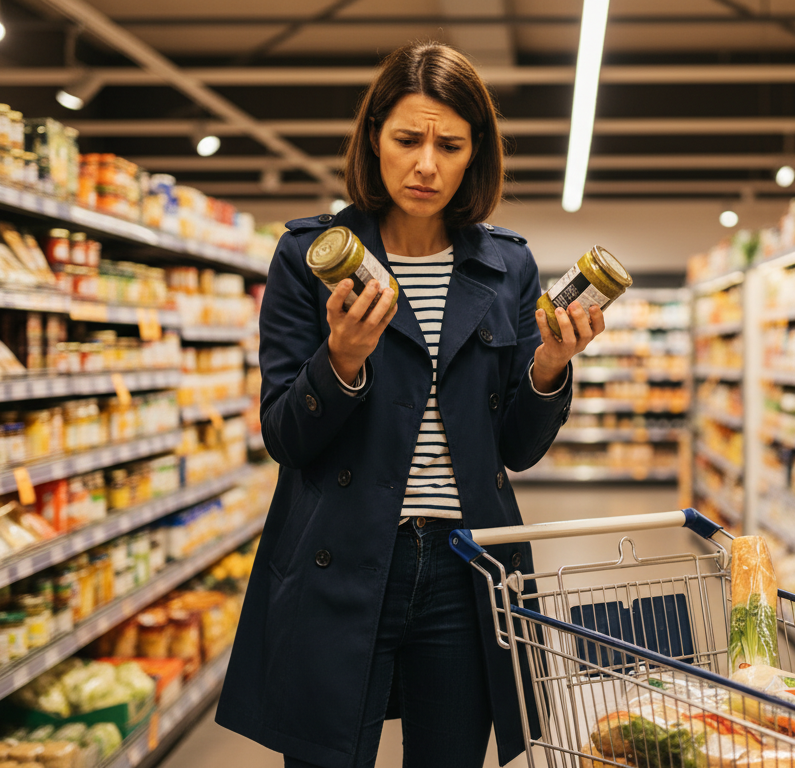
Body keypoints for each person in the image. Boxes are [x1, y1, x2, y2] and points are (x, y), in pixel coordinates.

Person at [215, 41, 606, 768]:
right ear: (373, 140)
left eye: (449, 144)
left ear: (473, 155)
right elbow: (284, 437)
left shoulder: (506, 267)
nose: (426, 163)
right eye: (407, 138)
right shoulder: (308, 256)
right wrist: (340, 363)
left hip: (468, 568)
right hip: (342, 559)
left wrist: (550, 365)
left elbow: (515, 449)